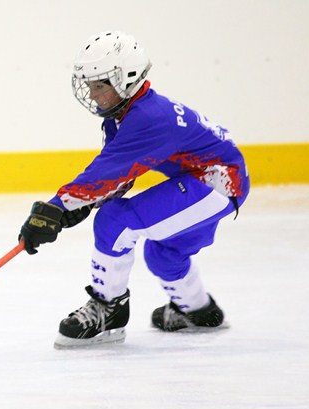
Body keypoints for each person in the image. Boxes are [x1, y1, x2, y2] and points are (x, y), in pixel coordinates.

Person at [18, 31, 249, 349]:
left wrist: (57, 207)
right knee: (163, 254)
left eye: (100, 84)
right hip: (216, 179)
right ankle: (199, 311)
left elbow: (106, 172)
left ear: (126, 79)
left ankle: (108, 308)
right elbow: (119, 178)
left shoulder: (149, 118)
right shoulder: (123, 115)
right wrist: (78, 205)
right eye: (89, 84)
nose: (92, 92)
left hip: (217, 183)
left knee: (115, 221)